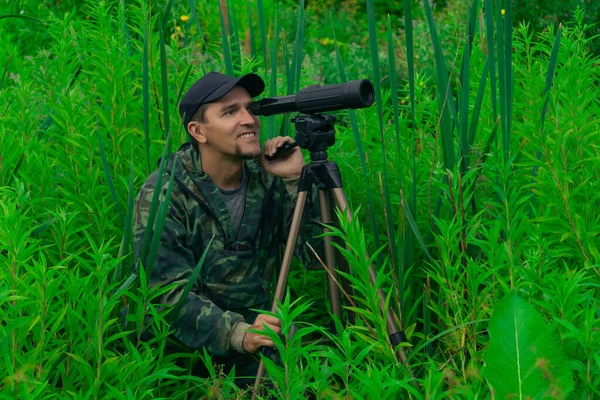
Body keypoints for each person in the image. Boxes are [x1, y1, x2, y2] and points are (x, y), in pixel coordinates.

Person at [132, 71, 319, 389]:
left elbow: (317, 258)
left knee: (319, 379)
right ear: (198, 131)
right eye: (230, 112)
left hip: (260, 336)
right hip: (183, 350)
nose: (249, 119)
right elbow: (165, 295)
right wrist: (238, 333)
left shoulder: (268, 176)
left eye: (250, 109)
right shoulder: (165, 193)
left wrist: (293, 180)